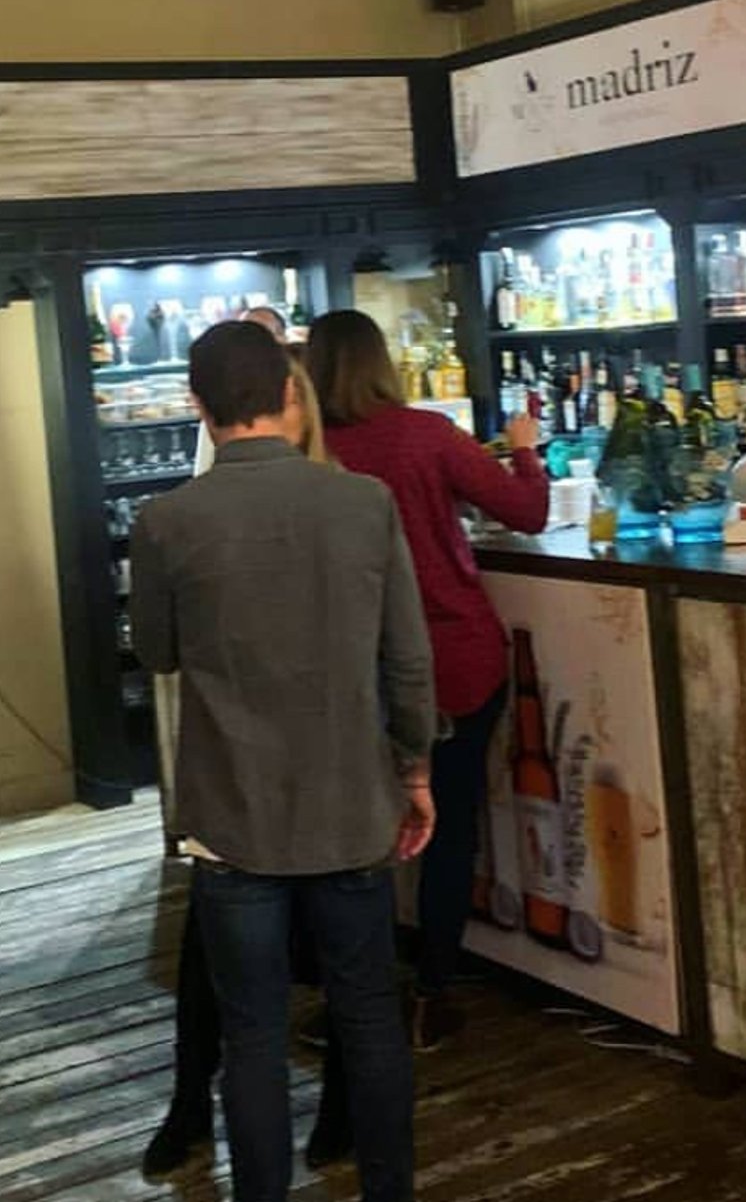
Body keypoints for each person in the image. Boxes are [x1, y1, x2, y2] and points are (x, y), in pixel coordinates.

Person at [132, 320, 436, 1202]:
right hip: (352, 802)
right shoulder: (364, 503)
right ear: (291, 396)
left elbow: (154, 651)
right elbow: (406, 660)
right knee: (369, 1015)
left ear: (198, 406)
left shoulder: (165, 522)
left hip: (233, 813)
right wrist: (413, 773)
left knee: (253, 1035)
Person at [306, 308, 549, 1049]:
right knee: (449, 832)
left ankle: (362, 995)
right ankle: (434, 990)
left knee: (363, 839)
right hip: (457, 658)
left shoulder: (309, 456)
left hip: (358, 671)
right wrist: (524, 451)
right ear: (382, 362)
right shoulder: (425, 434)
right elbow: (528, 512)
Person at [144, 353, 341, 1179]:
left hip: (297, 772)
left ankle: (320, 1116)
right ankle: (196, 1101)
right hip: (266, 770)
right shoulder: (211, 503)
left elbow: (159, 648)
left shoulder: (345, 502)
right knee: (228, 961)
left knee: (304, 961)